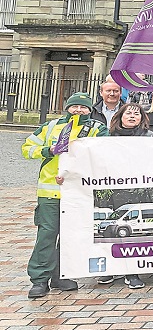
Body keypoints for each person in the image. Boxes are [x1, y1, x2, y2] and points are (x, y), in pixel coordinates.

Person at [22, 92, 107, 298]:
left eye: (83, 107)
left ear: (90, 109)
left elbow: (104, 154)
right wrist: (48, 150)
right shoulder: (50, 126)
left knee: (71, 236)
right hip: (50, 192)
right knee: (47, 235)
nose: (79, 110)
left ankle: (61, 275)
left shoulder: (98, 129)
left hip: (79, 192)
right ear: (67, 107)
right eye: (74, 106)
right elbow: (27, 148)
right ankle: (40, 279)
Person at [104, 103, 153, 288]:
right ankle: (110, 269)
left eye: (137, 114)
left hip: (139, 190)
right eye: (129, 113)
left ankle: (131, 272)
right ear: (120, 116)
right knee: (113, 230)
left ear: (142, 118)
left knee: (131, 233)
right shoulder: (106, 137)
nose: (133, 116)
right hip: (114, 189)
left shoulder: (150, 138)